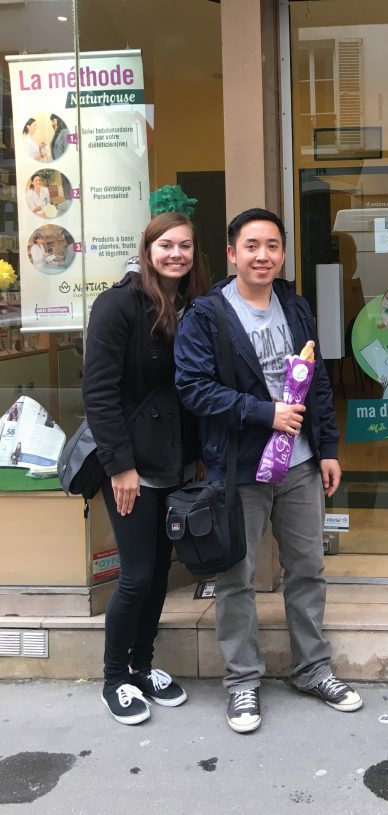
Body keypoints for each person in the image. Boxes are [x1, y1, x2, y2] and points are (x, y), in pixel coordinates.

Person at [175, 207, 362, 734]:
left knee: (308, 570)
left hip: (300, 465)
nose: (263, 255)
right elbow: (192, 387)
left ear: (282, 254)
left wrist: (326, 446)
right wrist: (265, 413)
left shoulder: (295, 307)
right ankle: (241, 682)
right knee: (237, 578)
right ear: (232, 253)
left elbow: (318, 381)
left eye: (273, 246)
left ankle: (313, 669)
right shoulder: (207, 316)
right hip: (238, 469)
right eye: (251, 246)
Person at [82, 212, 208, 725]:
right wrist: (120, 466)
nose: (177, 254)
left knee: (159, 574)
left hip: (175, 461)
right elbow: (99, 393)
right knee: (134, 576)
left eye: (186, 246)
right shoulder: (118, 305)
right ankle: (115, 678)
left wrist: (198, 455)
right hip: (132, 467)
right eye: (167, 245)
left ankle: (142, 667)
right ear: (148, 249)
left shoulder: (192, 306)